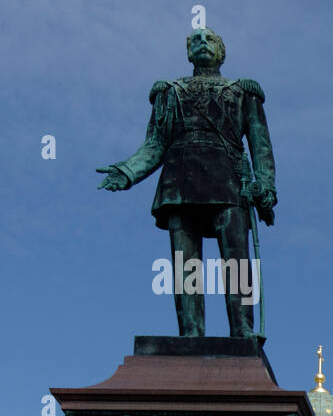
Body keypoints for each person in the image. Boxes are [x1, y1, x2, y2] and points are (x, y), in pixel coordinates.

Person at [95, 28, 277, 339]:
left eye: (209, 40)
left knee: (236, 262)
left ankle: (242, 330)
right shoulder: (170, 92)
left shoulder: (244, 91)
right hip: (179, 180)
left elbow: (261, 144)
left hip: (229, 180)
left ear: (221, 51)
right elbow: (155, 145)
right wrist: (127, 172)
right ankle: (191, 333)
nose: (202, 44)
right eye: (195, 40)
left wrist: (266, 186)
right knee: (185, 265)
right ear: (188, 52)